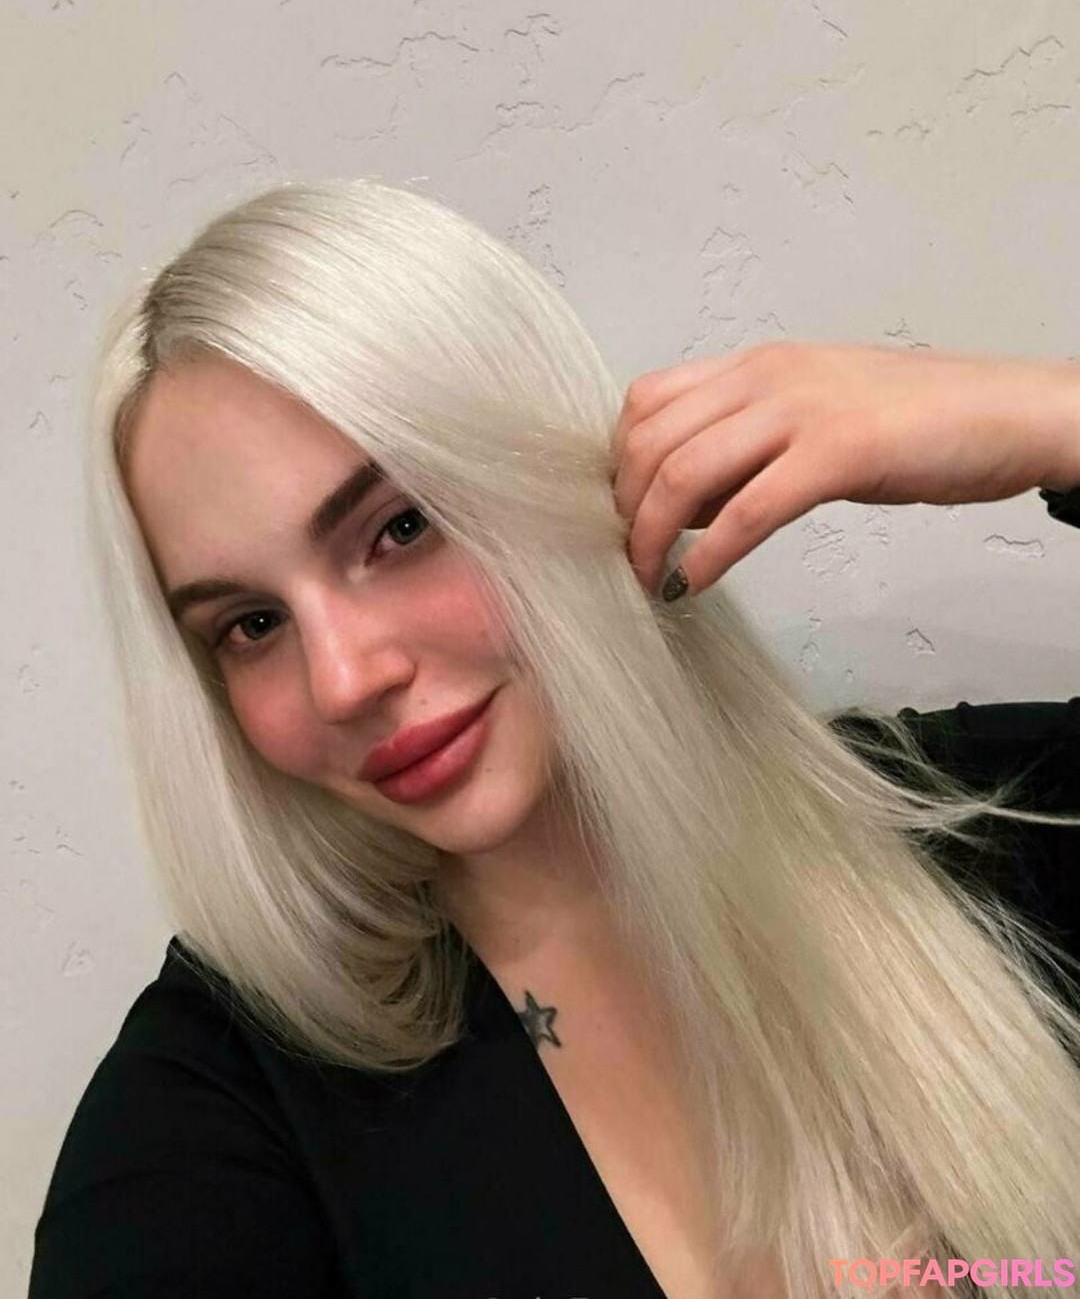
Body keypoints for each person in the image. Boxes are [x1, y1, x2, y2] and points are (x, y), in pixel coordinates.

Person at [27, 178, 1080, 1299]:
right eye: (251, 624)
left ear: (548, 470)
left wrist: (1055, 418)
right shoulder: (224, 1103)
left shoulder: (967, 824)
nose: (343, 679)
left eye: (400, 526)